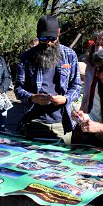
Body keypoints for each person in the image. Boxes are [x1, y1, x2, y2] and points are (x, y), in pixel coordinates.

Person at [14, 15, 81, 144]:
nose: (48, 43)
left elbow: (77, 86)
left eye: (52, 38)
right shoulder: (27, 57)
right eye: (43, 39)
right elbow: (18, 89)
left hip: (62, 123)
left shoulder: (70, 55)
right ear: (38, 36)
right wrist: (32, 97)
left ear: (59, 33)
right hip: (34, 122)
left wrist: (65, 98)